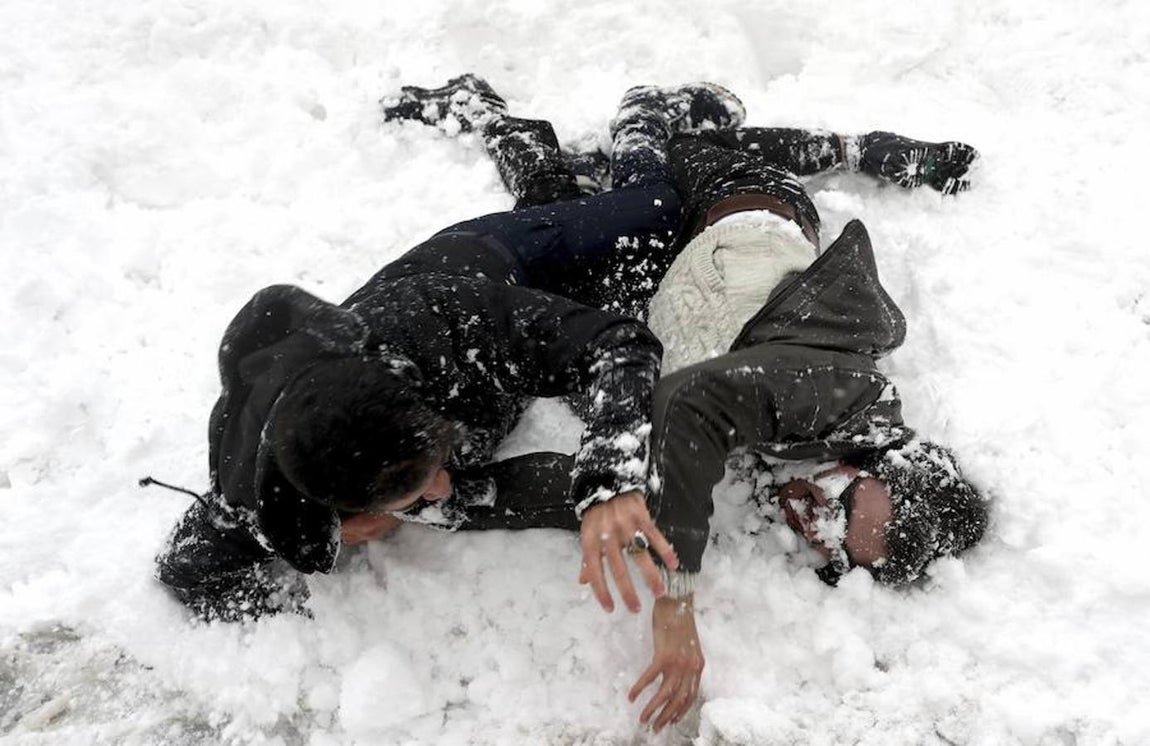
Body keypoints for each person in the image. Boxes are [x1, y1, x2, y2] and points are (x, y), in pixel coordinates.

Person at [378, 76, 988, 732]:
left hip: (672, 290)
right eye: (845, 508)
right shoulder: (834, 392)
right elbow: (692, 402)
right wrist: (860, 148)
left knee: (556, 220)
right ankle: (642, 111)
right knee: (642, 166)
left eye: (838, 551)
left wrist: (444, 499)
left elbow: (641, 467)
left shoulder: (820, 448)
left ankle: (538, 145)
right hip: (715, 200)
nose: (821, 527)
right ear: (881, 458)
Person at [154, 77, 749, 624]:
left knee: (658, 214)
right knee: (568, 207)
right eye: (416, 491)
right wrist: (315, 561)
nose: (441, 488)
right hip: (457, 354)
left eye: (432, 471)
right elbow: (187, 568)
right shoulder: (260, 490)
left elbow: (617, 344)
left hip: (494, 262)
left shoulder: (449, 324)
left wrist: (608, 481)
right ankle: (539, 166)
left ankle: (571, 124)